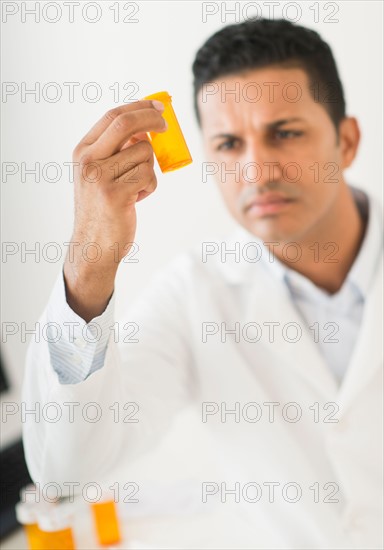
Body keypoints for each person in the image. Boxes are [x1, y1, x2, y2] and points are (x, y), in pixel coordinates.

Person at [22, 18, 383, 549]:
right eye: (229, 143)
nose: (257, 171)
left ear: (346, 140)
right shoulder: (194, 294)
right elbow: (66, 474)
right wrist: (91, 259)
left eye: (284, 133)